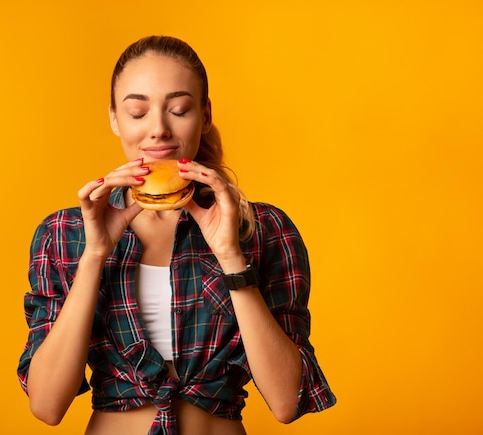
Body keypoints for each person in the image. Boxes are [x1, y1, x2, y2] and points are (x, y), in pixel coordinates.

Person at [17, 35, 336, 435]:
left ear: (204, 116)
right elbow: (47, 404)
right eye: (137, 112)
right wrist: (95, 254)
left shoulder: (264, 229)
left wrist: (231, 257)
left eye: (179, 110)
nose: (158, 130)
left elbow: (287, 401)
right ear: (115, 118)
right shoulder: (64, 233)